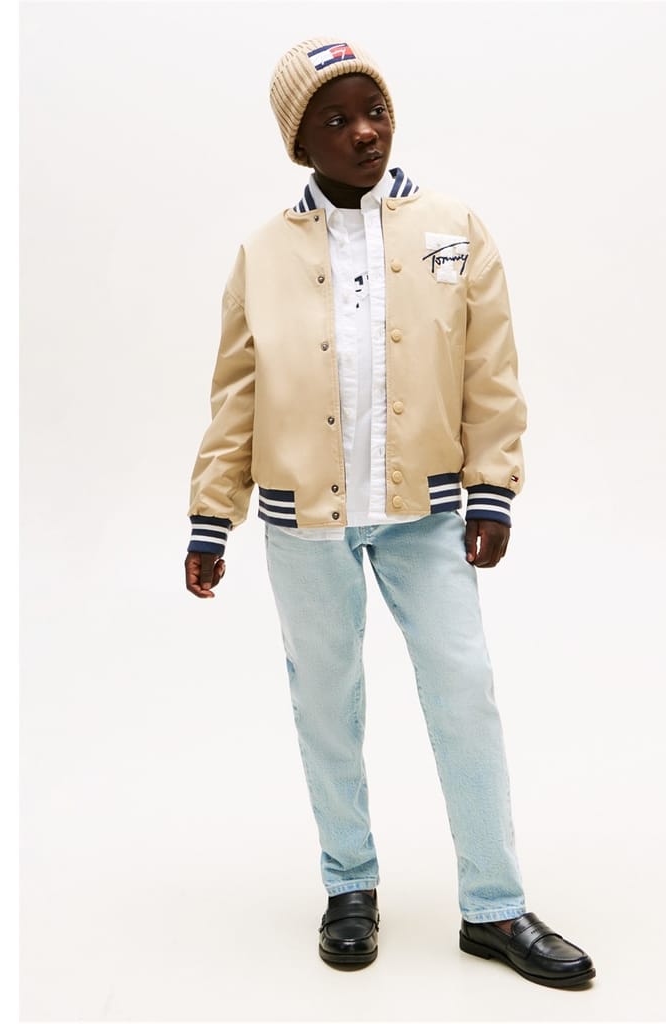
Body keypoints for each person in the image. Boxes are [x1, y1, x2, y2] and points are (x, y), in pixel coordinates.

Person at [183, 37, 595, 989]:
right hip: (302, 518)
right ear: (300, 142)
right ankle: (349, 887)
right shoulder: (262, 253)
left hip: (428, 514)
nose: (365, 132)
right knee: (326, 703)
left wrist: (493, 488)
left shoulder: (453, 228)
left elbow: (491, 369)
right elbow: (237, 394)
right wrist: (211, 516)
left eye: (375, 110)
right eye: (337, 119)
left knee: (464, 690)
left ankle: (494, 906)